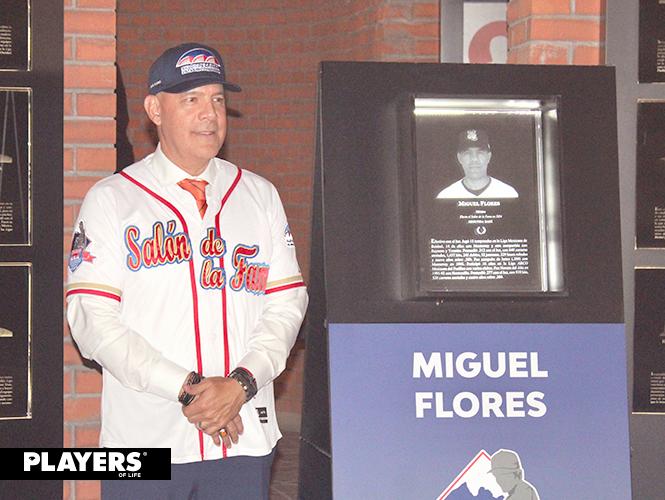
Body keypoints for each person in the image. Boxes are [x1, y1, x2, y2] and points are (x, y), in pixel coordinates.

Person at [66, 42, 308, 499]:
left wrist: (242, 384)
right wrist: (188, 389)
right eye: (191, 99)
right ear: (154, 110)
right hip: (146, 436)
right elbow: (91, 321)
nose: (209, 114)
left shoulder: (258, 195)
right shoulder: (113, 199)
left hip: (242, 436)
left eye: (217, 98)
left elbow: (287, 304)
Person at [437, 128, 518, 199]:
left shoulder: (508, 193)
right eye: (467, 153)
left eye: (480, 153)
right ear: (459, 158)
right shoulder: (446, 196)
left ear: (488, 157)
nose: (474, 159)